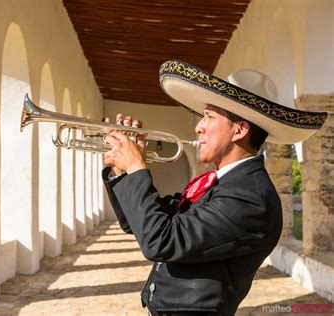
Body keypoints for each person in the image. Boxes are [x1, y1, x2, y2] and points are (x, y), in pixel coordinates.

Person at [102, 60, 327, 316]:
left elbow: (160, 241)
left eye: (209, 117)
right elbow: (139, 223)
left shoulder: (250, 197)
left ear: (239, 130)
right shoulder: (221, 183)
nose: (199, 127)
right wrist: (120, 170)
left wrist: (136, 167)